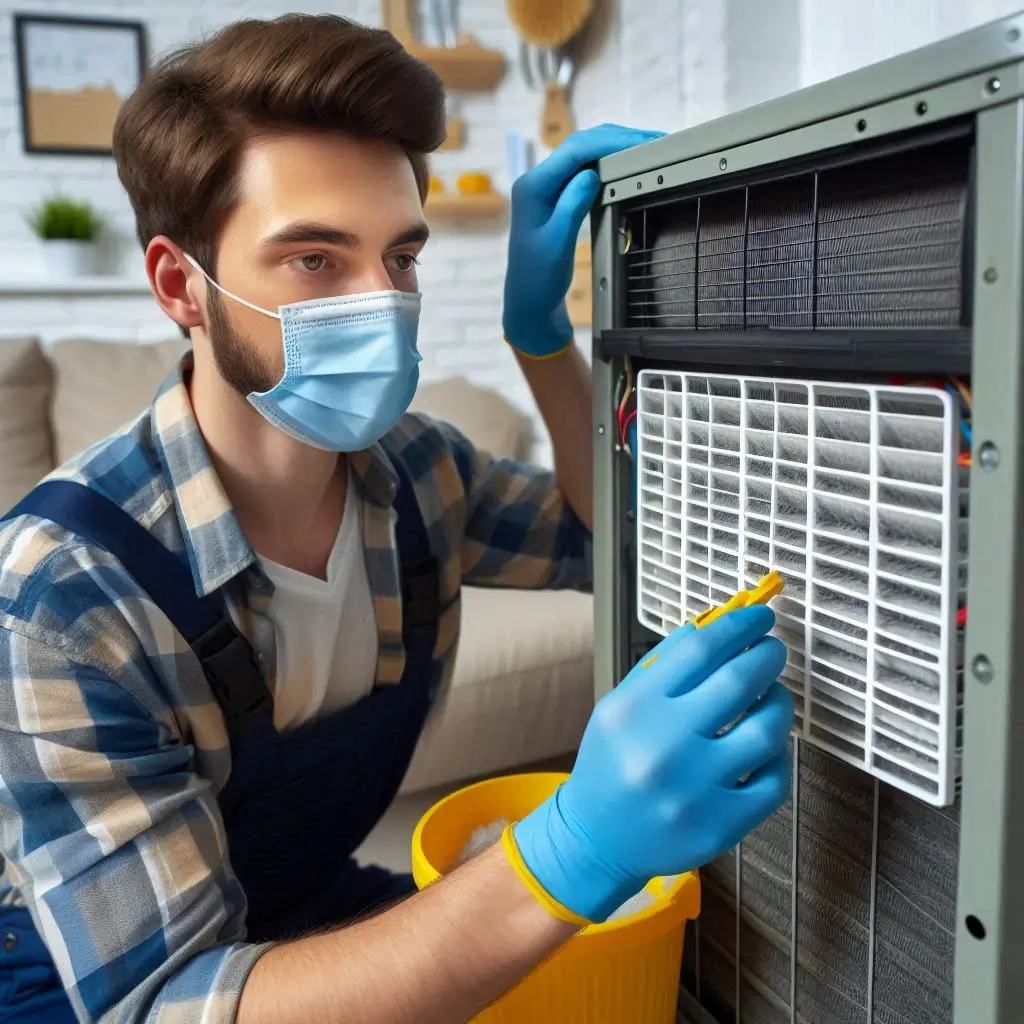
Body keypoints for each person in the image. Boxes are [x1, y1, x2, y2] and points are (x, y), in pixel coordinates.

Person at [0, 14, 793, 1024]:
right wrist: (573, 846)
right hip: (92, 984)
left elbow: (618, 540)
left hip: (304, 905)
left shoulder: (420, 472)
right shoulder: (59, 589)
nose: (382, 305)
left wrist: (542, 339)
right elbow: (172, 1004)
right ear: (178, 287)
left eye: (401, 257)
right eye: (316, 260)